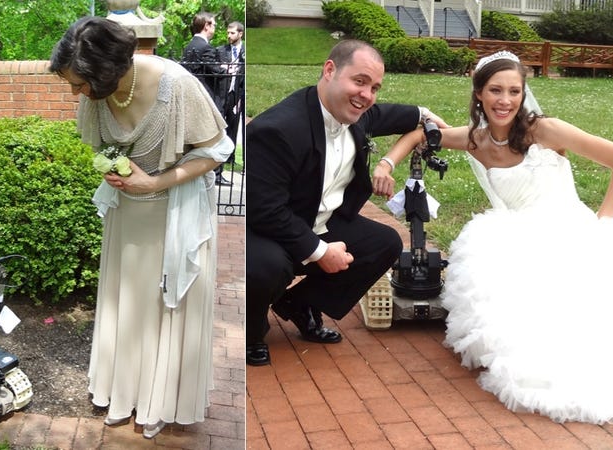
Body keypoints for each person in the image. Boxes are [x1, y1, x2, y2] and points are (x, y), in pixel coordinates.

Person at [378, 51, 613, 424]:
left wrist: (602, 226)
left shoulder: (544, 130)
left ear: (523, 95)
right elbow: (422, 134)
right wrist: (386, 162)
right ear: (479, 95)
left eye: (514, 91)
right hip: (514, 236)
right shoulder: (475, 139)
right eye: (496, 90)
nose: (505, 100)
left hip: (568, 230)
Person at [49, 17, 233, 438]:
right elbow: (103, 147)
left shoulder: (177, 86)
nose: (75, 93)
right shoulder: (96, 94)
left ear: (110, 72)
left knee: (165, 306)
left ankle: (159, 402)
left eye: (79, 85)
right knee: (127, 304)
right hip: (127, 214)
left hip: (176, 212)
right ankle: (123, 394)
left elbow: (218, 150)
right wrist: (115, 172)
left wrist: (155, 181)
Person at [246, 39, 448, 367]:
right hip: (271, 232)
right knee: (265, 267)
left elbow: (388, 114)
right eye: (359, 81)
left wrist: (424, 115)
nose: (367, 95)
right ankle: (252, 333)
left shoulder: (354, 113)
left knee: (386, 243)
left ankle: (299, 304)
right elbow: (266, 211)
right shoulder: (278, 130)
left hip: (321, 220)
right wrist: (320, 251)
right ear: (330, 71)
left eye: (375, 87)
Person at [181, 12, 232, 186]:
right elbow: (216, 72)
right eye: (214, 24)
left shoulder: (189, 46)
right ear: (206, 26)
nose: (215, 28)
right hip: (207, 99)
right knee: (214, 137)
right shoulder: (205, 47)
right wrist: (226, 69)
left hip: (190, 98)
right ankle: (214, 173)